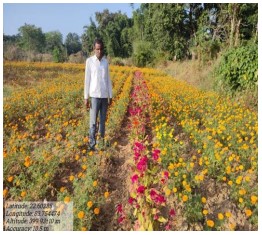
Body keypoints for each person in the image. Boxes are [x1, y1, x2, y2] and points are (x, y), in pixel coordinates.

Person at [84, 38, 112, 151]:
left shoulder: (105, 62)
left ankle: (101, 143)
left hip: (104, 96)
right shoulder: (89, 61)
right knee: (93, 122)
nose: (99, 51)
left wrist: (111, 95)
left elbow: (108, 79)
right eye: (97, 49)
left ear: (103, 49)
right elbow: (87, 80)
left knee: (102, 121)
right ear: (94, 49)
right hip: (94, 96)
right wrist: (86, 97)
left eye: (101, 49)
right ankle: (92, 144)